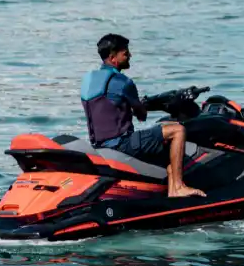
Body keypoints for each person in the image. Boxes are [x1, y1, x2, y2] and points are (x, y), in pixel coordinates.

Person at [80, 33, 203, 199]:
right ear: (113, 57)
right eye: (125, 53)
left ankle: (170, 188)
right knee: (177, 130)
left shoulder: (88, 80)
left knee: (163, 142)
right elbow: (142, 115)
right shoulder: (123, 82)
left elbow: (107, 107)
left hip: (99, 145)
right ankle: (179, 187)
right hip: (121, 144)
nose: (130, 55)